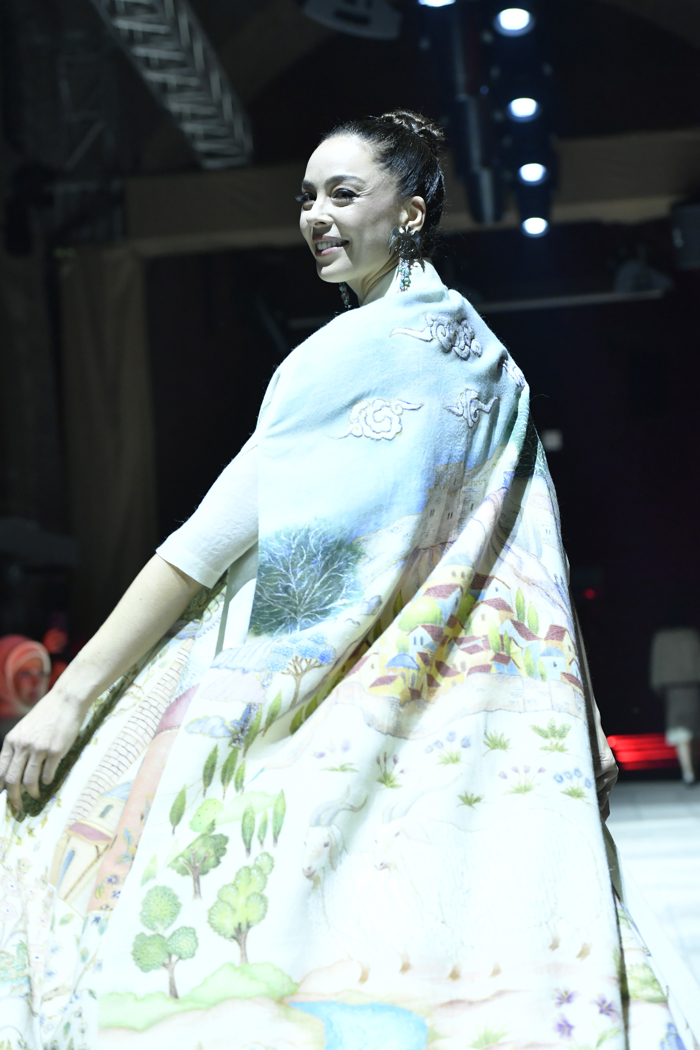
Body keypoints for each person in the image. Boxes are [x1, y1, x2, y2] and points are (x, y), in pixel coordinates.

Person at [0, 110, 690, 1050]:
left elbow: (204, 545)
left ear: (410, 213)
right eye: (307, 197)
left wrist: (71, 697)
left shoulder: (347, 357)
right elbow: (532, 555)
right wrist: (583, 709)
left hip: (325, 709)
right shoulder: (487, 361)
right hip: (453, 721)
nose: (316, 216)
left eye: (344, 193)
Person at [650, 620, 700, 784]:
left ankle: (688, 772)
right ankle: (692, 769)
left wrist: (658, 688)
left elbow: (657, 665)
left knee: (680, 731)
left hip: (673, 690)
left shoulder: (662, 638)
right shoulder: (691, 635)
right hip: (692, 687)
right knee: (692, 731)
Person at [0, 634, 51, 746]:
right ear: (4, 678)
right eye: (25, 674)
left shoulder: (52, 719)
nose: (36, 682)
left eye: (41, 673)